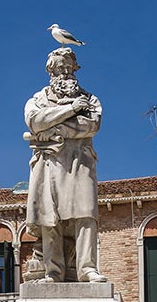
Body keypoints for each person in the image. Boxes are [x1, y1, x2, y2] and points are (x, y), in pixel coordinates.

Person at [24, 47, 107, 284]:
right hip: (48, 163)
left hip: (80, 161)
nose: (66, 71)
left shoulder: (90, 100)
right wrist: (71, 110)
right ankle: (53, 271)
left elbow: (91, 125)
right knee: (50, 217)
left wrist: (54, 129)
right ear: (51, 71)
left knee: (86, 213)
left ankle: (87, 268)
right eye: (61, 67)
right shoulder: (37, 99)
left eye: (70, 67)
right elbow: (35, 121)